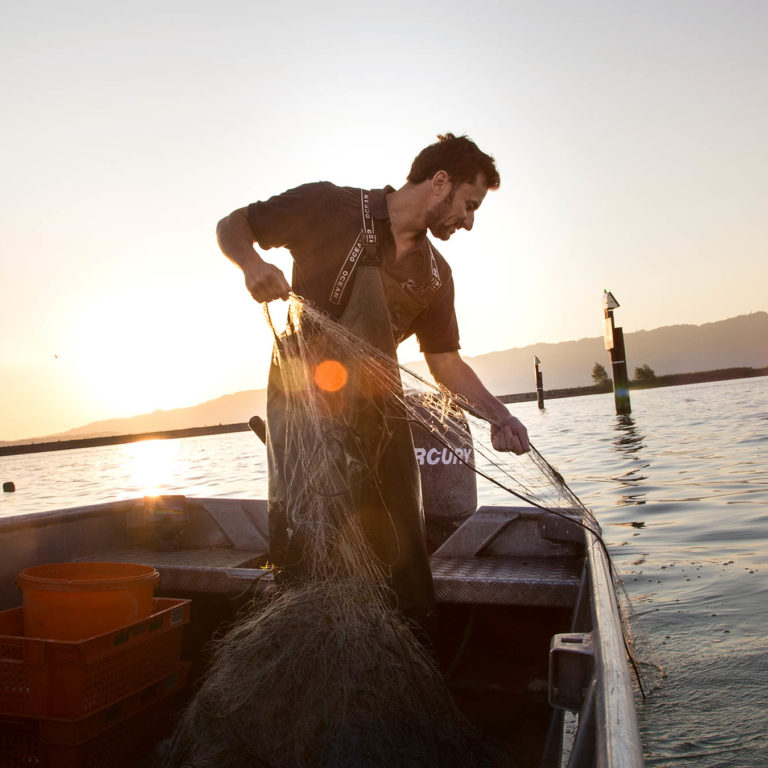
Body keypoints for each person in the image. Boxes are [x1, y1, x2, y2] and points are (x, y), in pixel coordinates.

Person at [216, 133, 530, 623]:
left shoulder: (435, 276)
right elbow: (233, 225)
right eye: (469, 206)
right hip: (305, 410)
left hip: (380, 415)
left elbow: (445, 363)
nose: (468, 222)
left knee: (402, 555)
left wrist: (499, 416)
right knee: (309, 545)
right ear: (440, 182)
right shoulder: (329, 206)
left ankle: (403, 646)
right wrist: (251, 264)